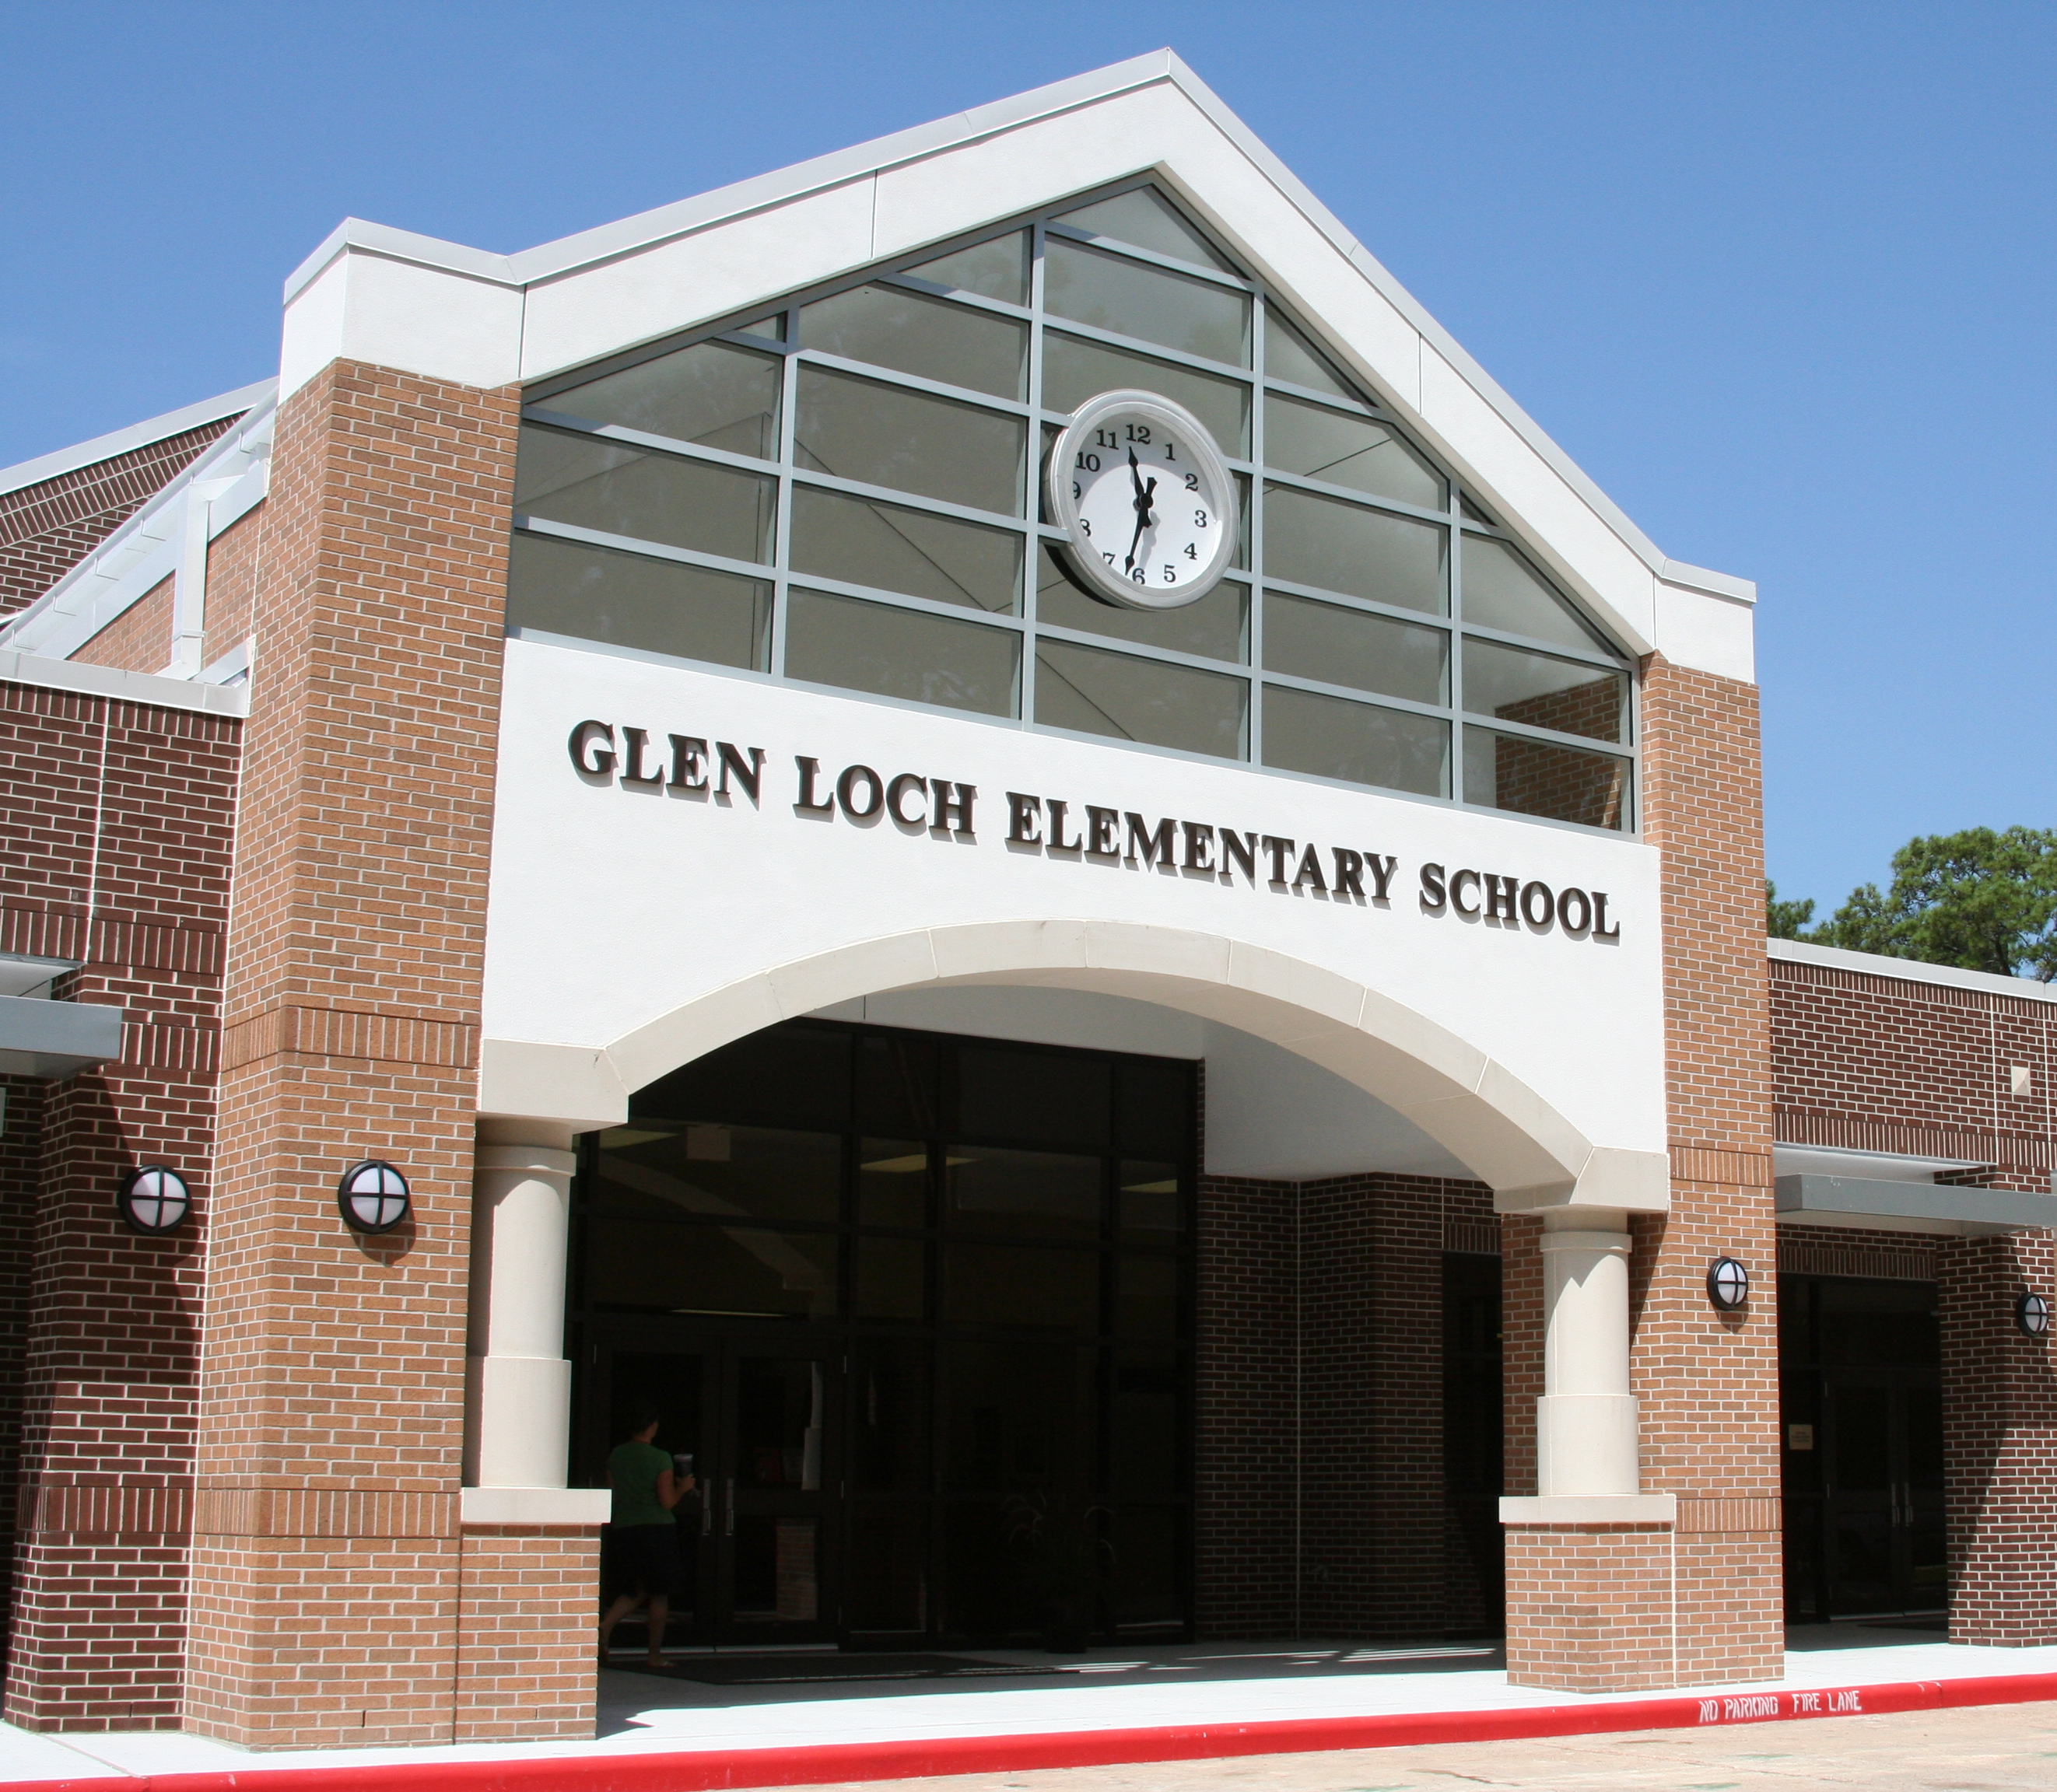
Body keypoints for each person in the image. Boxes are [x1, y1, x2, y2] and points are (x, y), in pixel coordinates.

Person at [597, 1404, 694, 1668]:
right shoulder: (660, 1458)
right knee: (659, 1593)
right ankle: (654, 1655)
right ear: (652, 1426)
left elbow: (614, 1492)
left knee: (635, 1587)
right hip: (657, 1528)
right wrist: (683, 1487)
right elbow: (667, 1501)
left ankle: (606, 1626)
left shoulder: (617, 1455)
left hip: (625, 1526)